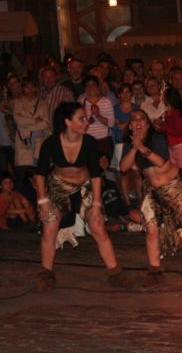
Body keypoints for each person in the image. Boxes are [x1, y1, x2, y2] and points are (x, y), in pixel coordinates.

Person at [34, 101, 131, 291]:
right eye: (82, 118)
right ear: (68, 122)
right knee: (50, 224)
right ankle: (46, 275)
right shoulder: (51, 143)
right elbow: (40, 173)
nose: (86, 121)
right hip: (58, 188)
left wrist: (96, 204)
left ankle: (115, 273)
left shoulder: (89, 142)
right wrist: (43, 201)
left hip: (85, 187)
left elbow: (96, 174)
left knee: (97, 226)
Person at [119, 109, 182, 287]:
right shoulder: (129, 143)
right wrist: (134, 147)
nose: (137, 122)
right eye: (133, 120)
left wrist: (141, 147)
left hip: (173, 185)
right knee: (151, 229)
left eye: (141, 118)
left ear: (147, 123)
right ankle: (155, 270)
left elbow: (161, 162)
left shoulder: (157, 137)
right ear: (130, 125)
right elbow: (123, 167)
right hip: (152, 189)